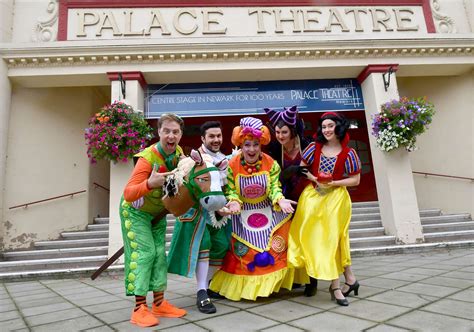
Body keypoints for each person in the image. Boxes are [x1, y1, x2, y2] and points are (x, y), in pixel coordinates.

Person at [209, 117, 299, 301]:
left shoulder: (270, 163)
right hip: (241, 212)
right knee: (241, 249)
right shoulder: (232, 165)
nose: (251, 149)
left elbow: (274, 187)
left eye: (255, 144)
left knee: (281, 238)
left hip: (267, 208)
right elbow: (231, 189)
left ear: (261, 144)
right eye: (247, 144)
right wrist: (233, 201)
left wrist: (280, 200)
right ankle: (241, 287)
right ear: (240, 145)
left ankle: (277, 283)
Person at [120, 113, 187, 328]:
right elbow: (129, 193)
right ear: (159, 132)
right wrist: (149, 183)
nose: (171, 135)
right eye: (166, 131)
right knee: (146, 253)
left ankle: (159, 303)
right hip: (136, 212)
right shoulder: (146, 159)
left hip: (158, 212)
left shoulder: (178, 153)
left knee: (160, 255)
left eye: (175, 132)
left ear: (180, 134)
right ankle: (139, 308)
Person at [288, 112, 361, 306]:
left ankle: (335, 286)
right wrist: (314, 179)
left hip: (336, 199)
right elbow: (303, 168)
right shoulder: (314, 147)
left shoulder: (349, 153)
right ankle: (350, 279)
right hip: (313, 198)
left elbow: (356, 179)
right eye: (324, 126)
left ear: (339, 127)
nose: (327, 130)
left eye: (331, 126)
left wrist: (333, 182)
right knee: (315, 239)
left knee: (333, 239)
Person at [167, 121, 231, 314]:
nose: (216, 140)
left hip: (218, 214)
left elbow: (226, 188)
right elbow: (181, 185)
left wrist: (226, 205)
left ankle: (209, 285)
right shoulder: (191, 160)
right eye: (211, 136)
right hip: (195, 214)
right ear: (203, 138)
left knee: (220, 245)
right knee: (202, 245)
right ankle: (201, 292)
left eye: (218, 136)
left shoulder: (224, 159)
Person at [264, 105, 317, 296]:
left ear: (292, 131)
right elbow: (273, 177)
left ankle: (313, 279)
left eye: (284, 131)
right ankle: (295, 278)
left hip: (309, 198)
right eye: (277, 132)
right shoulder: (274, 149)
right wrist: (291, 171)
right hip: (287, 200)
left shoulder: (307, 144)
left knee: (308, 239)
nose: (280, 135)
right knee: (289, 240)